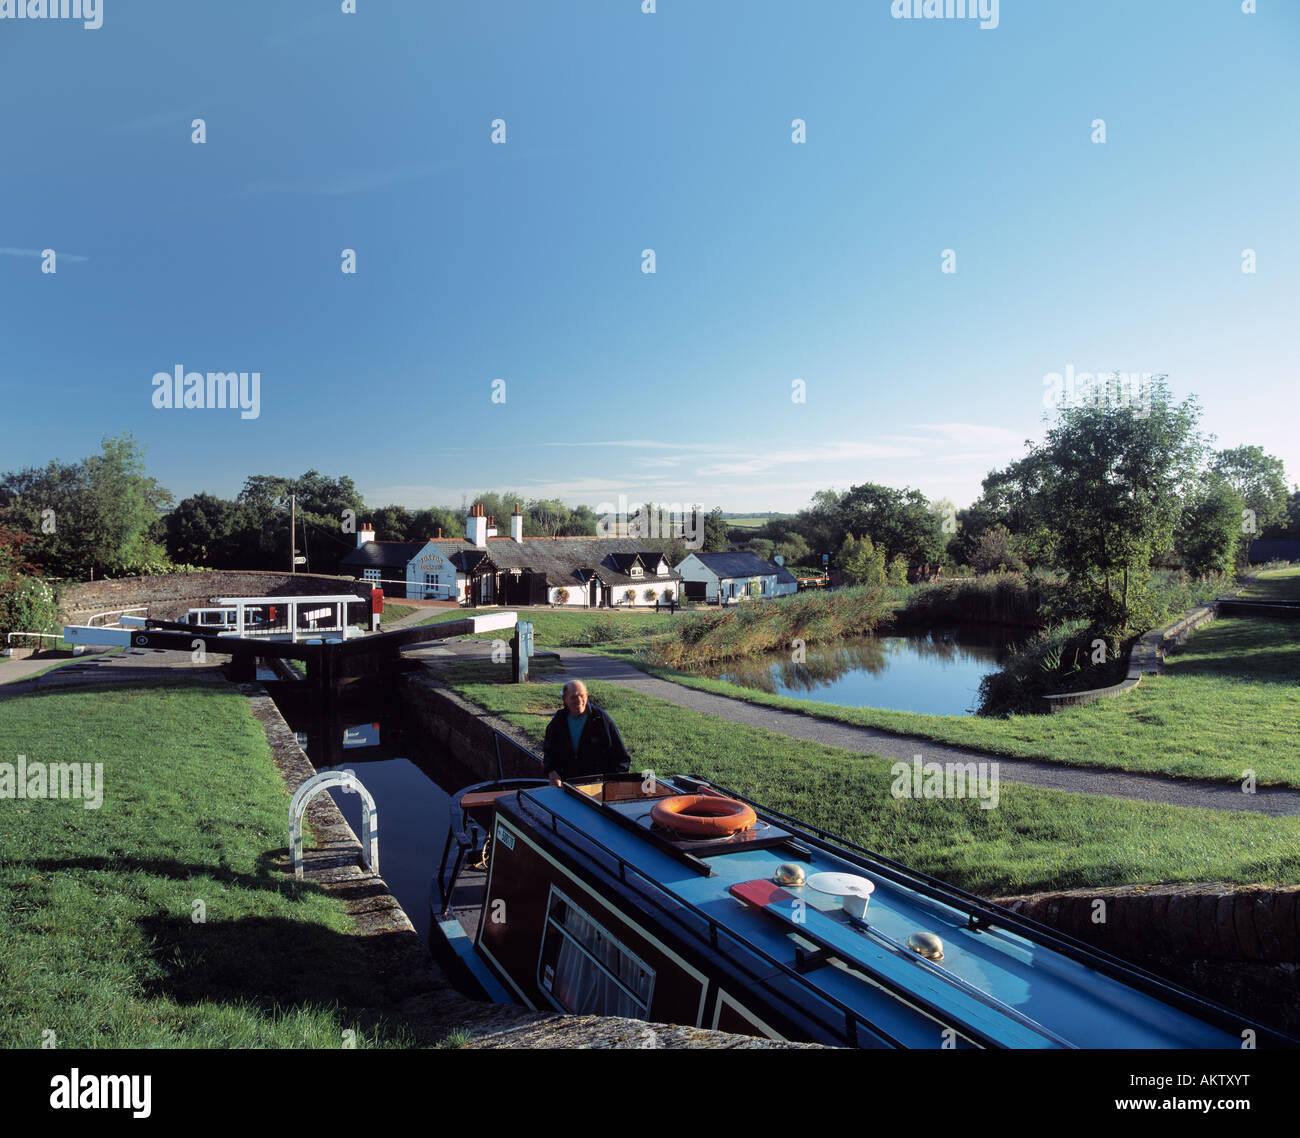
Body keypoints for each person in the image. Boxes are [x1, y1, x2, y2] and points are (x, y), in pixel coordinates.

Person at [542, 680, 632, 786]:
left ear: (587, 695)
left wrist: (614, 785)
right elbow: (549, 752)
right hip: (568, 786)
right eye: (574, 697)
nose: (579, 701)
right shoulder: (558, 721)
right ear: (564, 699)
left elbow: (621, 757)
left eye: (582, 696)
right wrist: (551, 772)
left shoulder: (600, 719)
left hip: (596, 787)